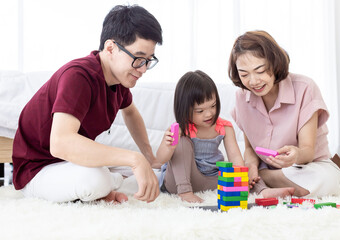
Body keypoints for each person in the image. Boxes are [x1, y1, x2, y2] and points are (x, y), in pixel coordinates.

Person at [12, 5, 163, 203]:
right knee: (97, 178)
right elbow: (60, 143)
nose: (143, 69)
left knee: (156, 176)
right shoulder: (78, 76)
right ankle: (106, 186)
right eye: (138, 59)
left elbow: (131, 113)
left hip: (69, 164)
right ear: (110, 48)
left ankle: (108, 185)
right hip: (38, 169)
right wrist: (135, 159)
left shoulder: (119, 80)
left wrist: (149, 158)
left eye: (149, 60)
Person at [228, 30, 340, 198]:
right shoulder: (241, 96)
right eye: (244, 74)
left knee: (325, 179)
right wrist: (251, 166)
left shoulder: (305, 87)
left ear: (275, 63)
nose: (253, 81)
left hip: (308, 166)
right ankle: (264, 181)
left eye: (260, 70)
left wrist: (295, 155)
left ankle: (264, 181)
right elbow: (249, 148)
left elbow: (307, 151)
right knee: (237, 174)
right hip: (266, 166)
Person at [156, 70, 245, 203]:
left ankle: (264, 190)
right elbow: (160, 160)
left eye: (213, 106)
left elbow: (235, 157)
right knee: (182, 142)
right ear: (184, 109)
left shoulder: (225, 127)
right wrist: (167, 145)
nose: (209, 114)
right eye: (200, 111)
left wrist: (240, 182)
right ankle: (185, 193)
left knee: (246, 174)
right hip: (180, 182)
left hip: (210, 180)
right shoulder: (181, 129)